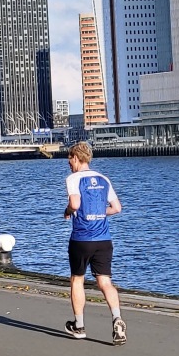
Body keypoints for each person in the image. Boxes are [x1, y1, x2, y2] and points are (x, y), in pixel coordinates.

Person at [62, 141, 126, 344]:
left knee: (77, 279)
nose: (69, 164)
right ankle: (117, 319)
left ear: (75, 158)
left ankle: (79, 326)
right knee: (105, 282)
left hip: (82, 239)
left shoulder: (73, 178)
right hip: (104, 239)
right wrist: (99, 213)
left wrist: (68, 211)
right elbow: (116, 208)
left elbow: (75, 203)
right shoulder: (103, 179)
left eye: (69, 160)